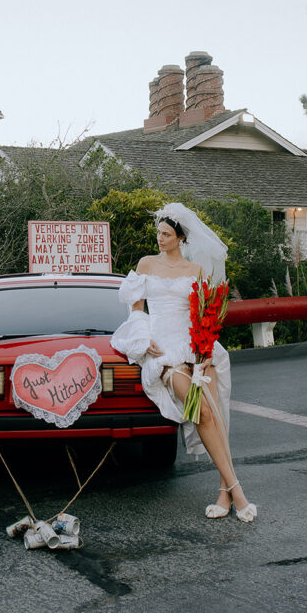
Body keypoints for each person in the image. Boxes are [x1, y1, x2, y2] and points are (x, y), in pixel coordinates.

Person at [110, 202, 257, 522]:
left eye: (166, 234)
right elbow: (136, 310)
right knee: (200, 408)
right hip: (164, 350)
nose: (160, 239)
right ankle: (238, 491)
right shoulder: (146, 264)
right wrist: (140, 339)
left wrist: (204, 352)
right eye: (158, 233)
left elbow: (203, 314)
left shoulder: (196, 271)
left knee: (217, 414)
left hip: (198, 348)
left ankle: (224, 493)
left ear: (180, 238)